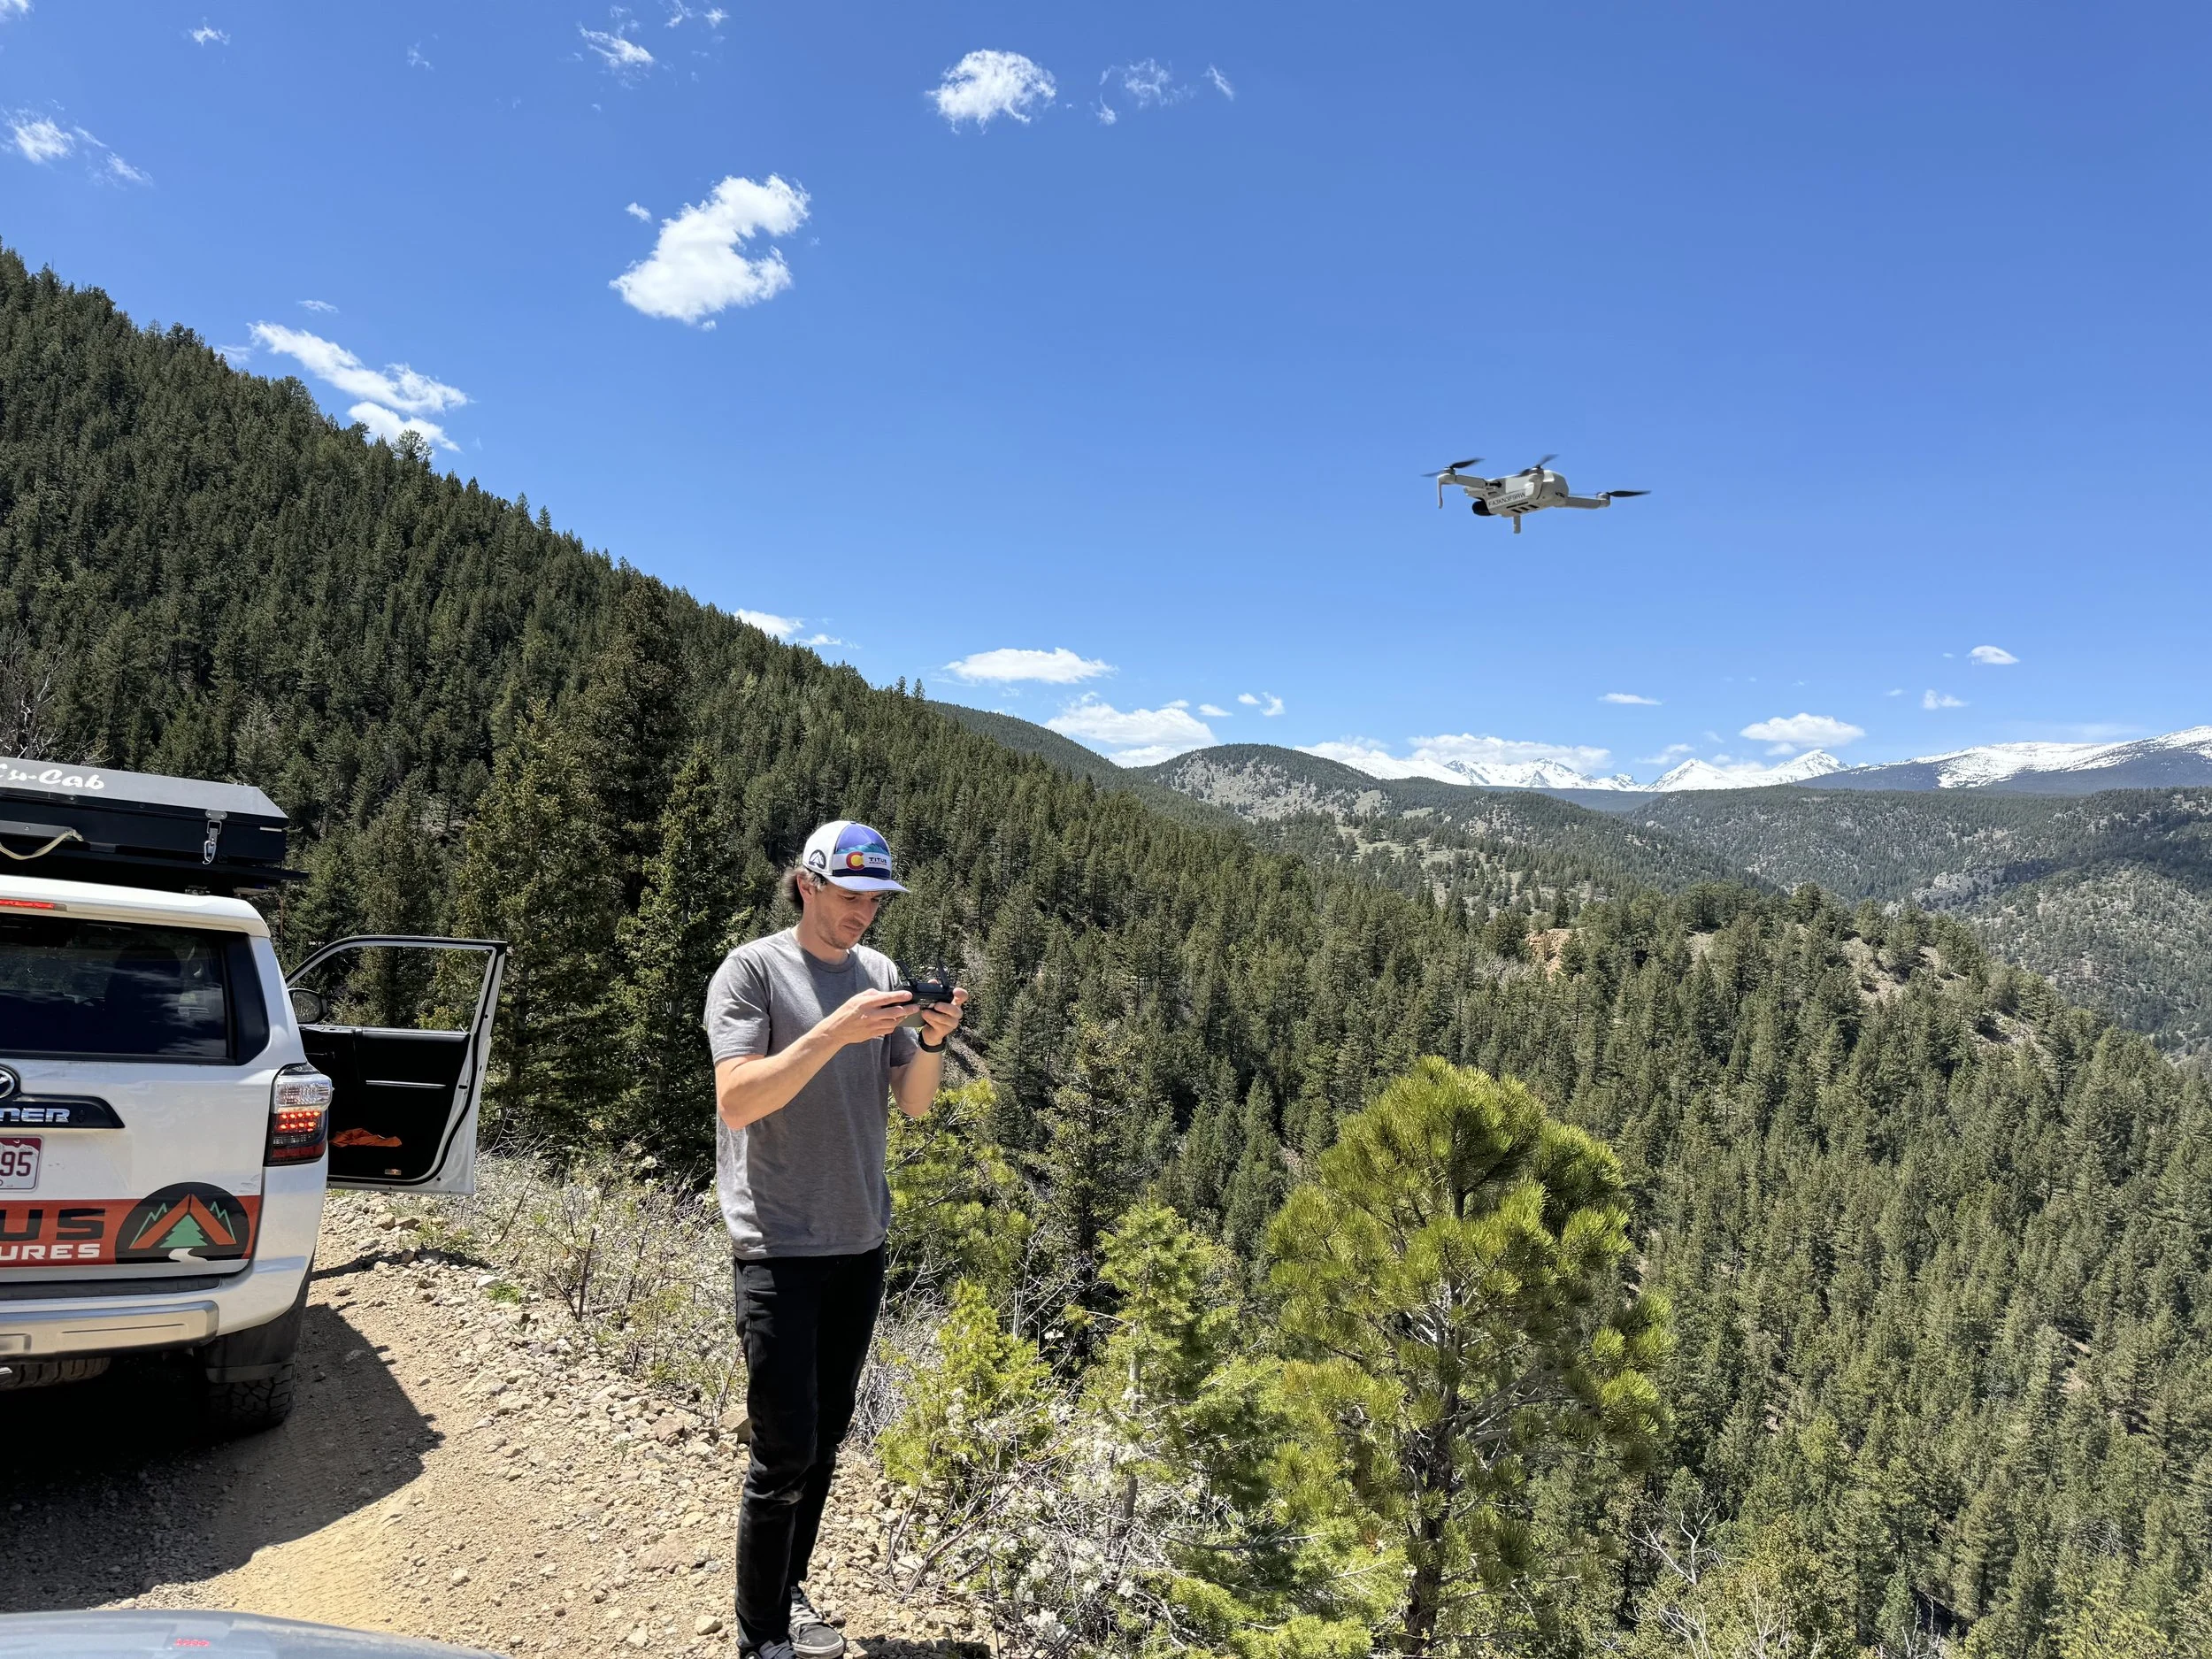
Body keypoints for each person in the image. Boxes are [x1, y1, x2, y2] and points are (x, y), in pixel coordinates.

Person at [704, 819, 968, 1659]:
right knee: (782, 1448)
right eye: (851, 896)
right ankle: (760, 1639)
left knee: (823, 1437)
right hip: (777, 1241)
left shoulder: (881, 974)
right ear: (807, 884)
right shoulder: (752, 971)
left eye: (876, 900)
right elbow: (738, 1099)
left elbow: (915, 1101)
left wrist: (930, 1040)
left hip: (859, 1236)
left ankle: (786, 1593)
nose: (865, 914)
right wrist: (834, 1030)